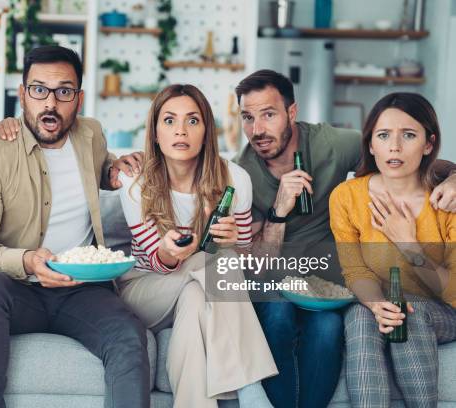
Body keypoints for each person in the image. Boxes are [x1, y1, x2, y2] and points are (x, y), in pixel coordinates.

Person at [232, 70, 456, 408]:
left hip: (339, 288)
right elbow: (261, 267)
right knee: (300, 319)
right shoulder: (242, 173)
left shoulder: (335, 145)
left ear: (291, 113)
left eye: (268, 114)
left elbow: (403, 160)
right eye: (248, 117)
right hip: (284, 283)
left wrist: (454, 179)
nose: (257, 129)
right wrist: (279, 211)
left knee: (338, 327)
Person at [0, 45, 150, 408]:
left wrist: (114, 170)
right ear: (22, 94)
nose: (50, 103)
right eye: (39, 90)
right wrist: (26, 260)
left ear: (79, 97)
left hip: (82, 290)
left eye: (64, 91)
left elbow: (100, 167)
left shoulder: (91, 134)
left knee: (128, 333)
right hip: (16, 289)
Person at [117, 84, 277, 408]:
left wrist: (234, 244)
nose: (181, 130)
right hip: (146, 290)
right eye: (169, 121)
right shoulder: (135, 182)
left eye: (192, 121)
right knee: (217, 262)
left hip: (205, 291)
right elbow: (157, 262)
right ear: (155, 132)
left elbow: (244, 267)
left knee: (203, 284)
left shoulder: (235, 178)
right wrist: (172, 251)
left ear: (206, 131)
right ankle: (250, 387)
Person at [329, 92, 456, 408]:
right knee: (359, 314)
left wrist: (409, 246)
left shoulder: (447, 202)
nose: (394, 147)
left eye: (409, 135)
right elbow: (354, 270)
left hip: (439, 310)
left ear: (428, 144)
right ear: (371, 145)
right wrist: (376, 305)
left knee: (408, 313)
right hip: (379, 305)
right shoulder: (347, 197)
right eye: (383, 135)